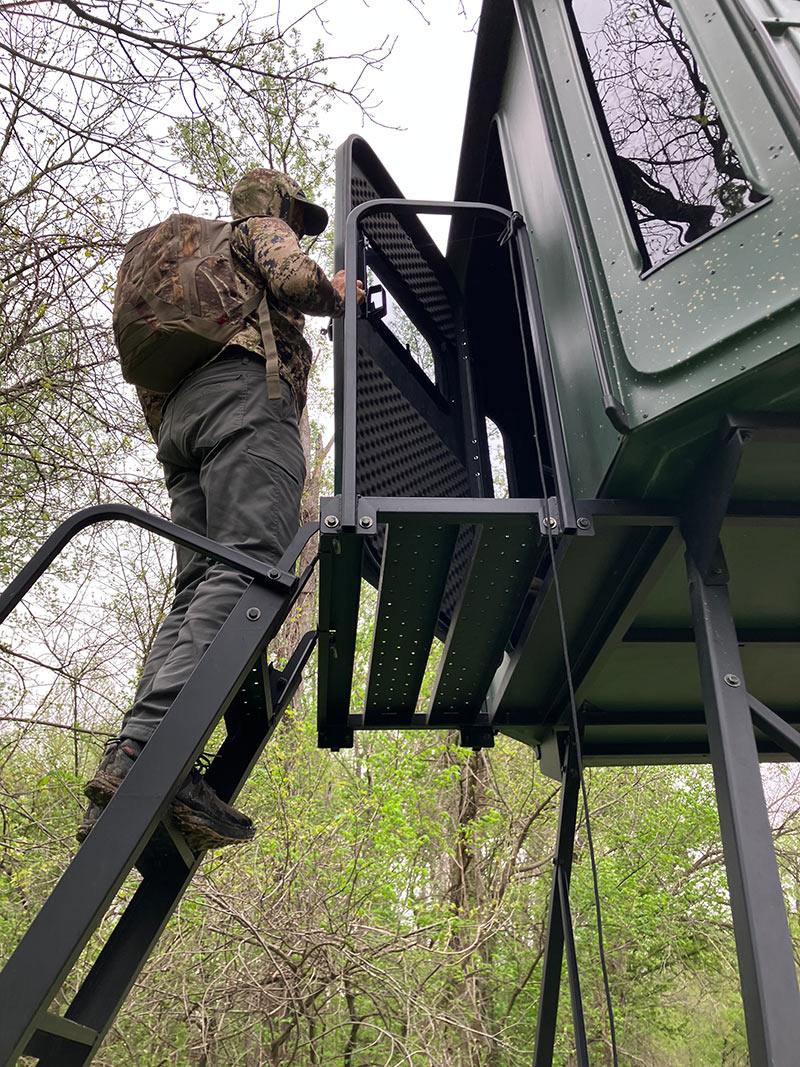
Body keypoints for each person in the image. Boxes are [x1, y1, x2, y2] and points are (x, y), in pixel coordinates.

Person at [79, 169, 364, 849]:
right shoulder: (252, 232)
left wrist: (186, 439)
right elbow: (296, 280)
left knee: (196, 591)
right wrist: (339, 294)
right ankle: (149, 754)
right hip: (242, 407)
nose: (295, 228)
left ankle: (132, 758)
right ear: (272, 206)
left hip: (182, 431)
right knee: (245, 571)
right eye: (294, 216)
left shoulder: (186, 282)